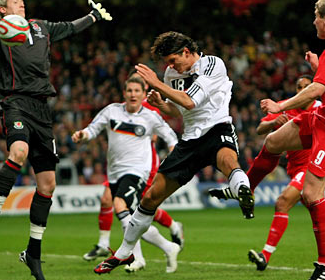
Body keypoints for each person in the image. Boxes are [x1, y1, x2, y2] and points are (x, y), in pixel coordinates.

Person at [0, 0, 112, 279]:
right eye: (16, 1)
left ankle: (33, 253)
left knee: (48, 185)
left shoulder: (41, 27)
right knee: (19, 151)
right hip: (15, 102)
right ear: (3, 9)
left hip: (42, 110)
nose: (22, 5)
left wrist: (93, 16)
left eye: (22, 1)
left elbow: (70, 27)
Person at [94, 31, 254, 274]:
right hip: (189, 140)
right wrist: (162, 105)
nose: (170, 67)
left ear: (187, 52)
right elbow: (181, 110)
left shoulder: (212, 64)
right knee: (150, 198)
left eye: (173, 60)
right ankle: (123, 253)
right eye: (167, 63)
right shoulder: (171, 74)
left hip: (216, 127)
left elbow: (191, 101)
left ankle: (242, 189)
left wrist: (155, 82)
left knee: (228, 160)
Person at [210, 75, 325, 271]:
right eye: (299, 87)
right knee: (320, 210)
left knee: (282, 202)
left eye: (306, 86)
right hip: (294, 169)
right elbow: (261, 128)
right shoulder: (287, 106)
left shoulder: (323, 108)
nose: (302, 89)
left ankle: (265, 255)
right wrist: (274, 122)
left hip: (312, 166)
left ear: (313, 88)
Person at [253, 0, 325, 279]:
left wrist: (280, 106)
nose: (313, 20)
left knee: (311, 195)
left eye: (316, 15)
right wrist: (319, 69)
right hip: (323, 119)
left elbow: (317, 91)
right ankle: (244, 188)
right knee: (274, 141)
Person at [72, 73, 181, 273]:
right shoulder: (112, 111)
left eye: (137, 91)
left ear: (144, 94)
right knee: (134, 218)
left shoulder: (150, 116)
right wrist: (82, 135)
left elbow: (171, 137)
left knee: (119, 204)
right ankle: (167, 247)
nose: (133, 94)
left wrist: (174, 155)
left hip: (138, 171)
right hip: (114, 172)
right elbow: (93, 129)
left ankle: (128, 254)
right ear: (124, 93)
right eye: (130, 90)